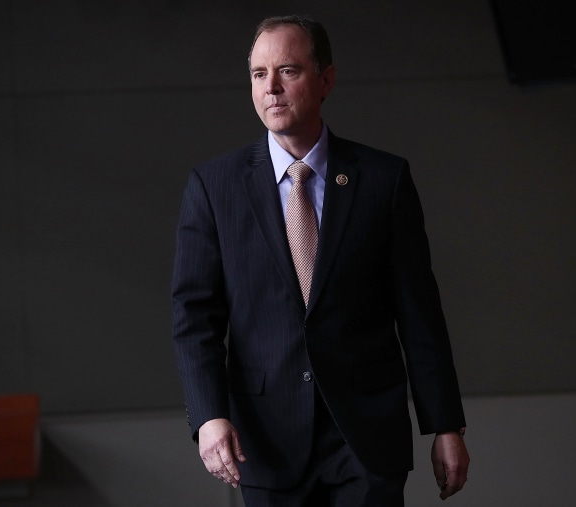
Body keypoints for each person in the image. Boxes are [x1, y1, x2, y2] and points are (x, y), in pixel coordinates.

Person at [171, 14, 470, 506]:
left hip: (366, 437)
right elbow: (193, 316)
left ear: (326, 79)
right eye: (258, 74)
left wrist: (444, 424)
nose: (272, 89)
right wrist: (207, 415)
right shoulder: (213, 187)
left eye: (288, 71)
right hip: (266, 439)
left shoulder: (383, 179)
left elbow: (419, 312)